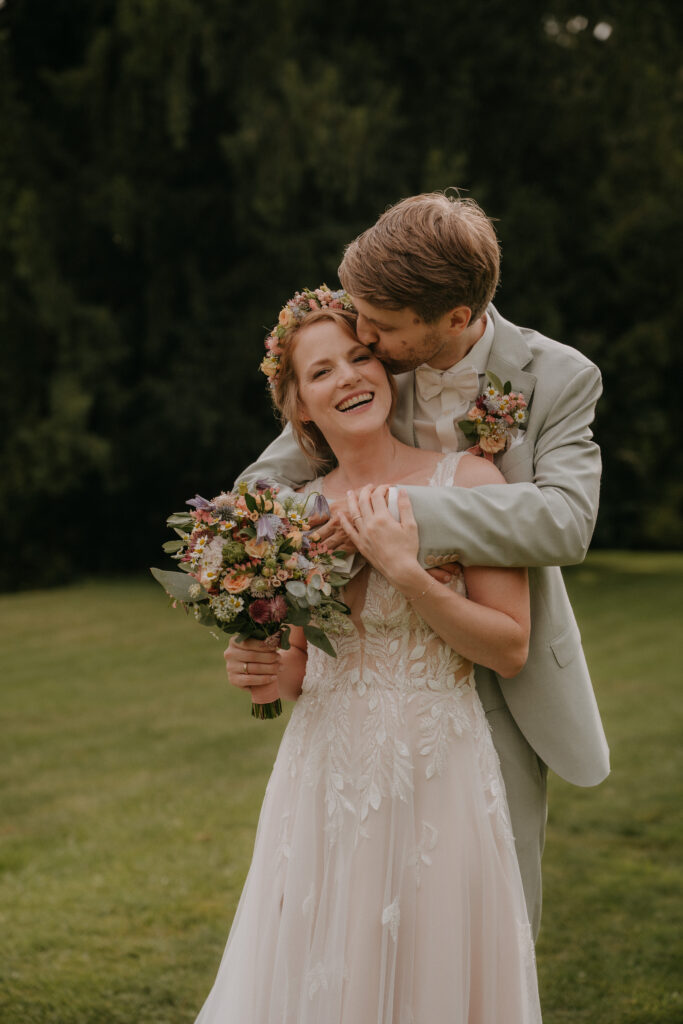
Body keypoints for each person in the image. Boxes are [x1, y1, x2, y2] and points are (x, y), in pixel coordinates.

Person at [238, 193, 610, 939]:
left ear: (454, 317)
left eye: (382, 327)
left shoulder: (559, 377)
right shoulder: (368, 357)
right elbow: (260, 490)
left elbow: (565, 521)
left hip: (503, 675)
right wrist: (324, 525)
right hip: (366, 676)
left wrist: (401, 518)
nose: (362, 333)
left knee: (488, 915)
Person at [196, 302, 542, 1023]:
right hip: (321, 773)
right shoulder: (289, 517)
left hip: (435, 769)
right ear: (300, 407)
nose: (350, 377)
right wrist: (258, 666)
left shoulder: (469, 482)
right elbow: (298, 670)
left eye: (359, 357)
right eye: (322, 371)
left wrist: (407, 572)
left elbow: (508, 647)